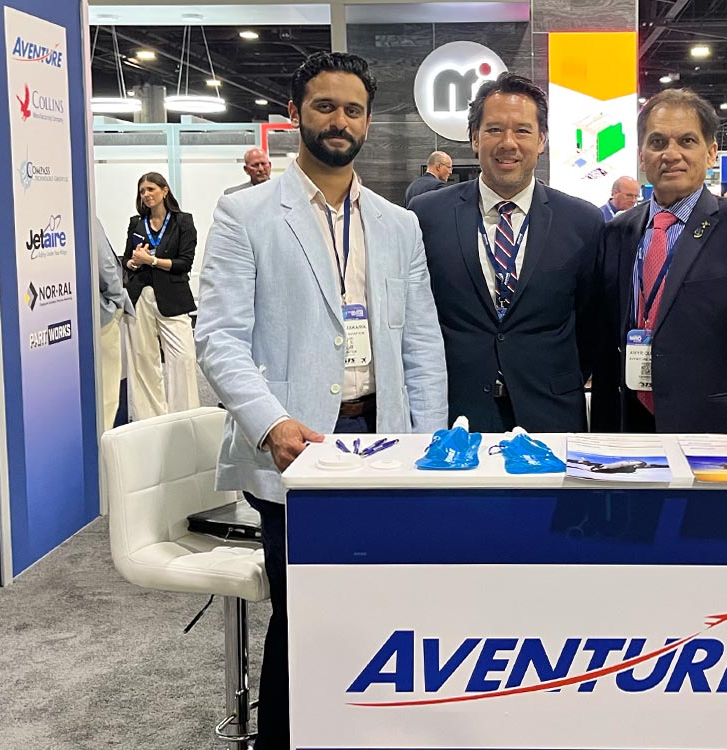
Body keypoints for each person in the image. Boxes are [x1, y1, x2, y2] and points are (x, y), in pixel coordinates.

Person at [195, 51, 448, 750]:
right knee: (306, 611)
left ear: (370, 119)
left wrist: (427, 445)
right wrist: (270, 421)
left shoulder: (399, 224)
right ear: (296, 113)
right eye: (325, 107)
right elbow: (218, 338)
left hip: (385, 441)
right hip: (295, 448)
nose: (340, 121)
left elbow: (421, 343)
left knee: (386, 604)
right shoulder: (246, 213)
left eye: (353, 109)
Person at [590, 89, 727, 454]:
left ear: (710, 153)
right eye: (658, 142)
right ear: (641, 156)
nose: (671, 154)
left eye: (687, 141)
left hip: (717, 427)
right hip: (629, 428)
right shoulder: (619, 231)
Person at [410, 73, 603, 433]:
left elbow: (592, 322)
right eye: (494, 129)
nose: (508, 143)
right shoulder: (426, 216)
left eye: (523, 131)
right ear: (473, 138)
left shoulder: (582, 221)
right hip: (456, 412)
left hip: (550, 412)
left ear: (542, 139)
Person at [122, 172, 200, 420]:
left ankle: (184, 419)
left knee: (183, 358)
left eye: (151, 189)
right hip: (140, 297)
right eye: (142, 191)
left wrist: (151, 260)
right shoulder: (136, 223)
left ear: (165, 191)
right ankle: (149, 420)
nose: (146, 195)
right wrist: (134, 262)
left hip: (173, 298)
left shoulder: (183, 222)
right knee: (143, 360)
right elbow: (126, 260)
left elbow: (184, 263)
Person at [94, 215, 134, 430]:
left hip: (68, 316)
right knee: (107, 393)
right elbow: (105, 265)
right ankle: (103, 456)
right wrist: (118, 300)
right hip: (101, 315)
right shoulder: (84, 213)